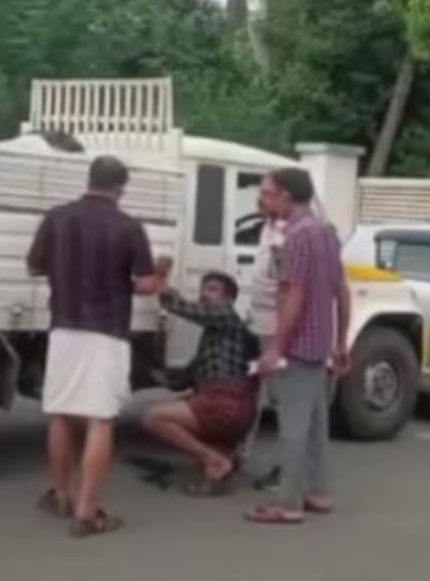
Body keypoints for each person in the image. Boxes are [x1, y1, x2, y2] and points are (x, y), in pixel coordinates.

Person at [26, 155, 165, 538]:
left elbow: (35, 266)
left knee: (59, 413)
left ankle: (60, 495)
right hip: (107, 331)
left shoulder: (56, 218)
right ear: (121, 187)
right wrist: (158, 274)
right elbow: (145, 284)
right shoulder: (129, 227)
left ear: (89, 179)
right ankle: (86, 513)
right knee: (100, 419)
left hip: (64, 326)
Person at [247, 167, 351, 525]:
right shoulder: (324, 232)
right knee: (316, 424)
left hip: (298, 345)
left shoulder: (296, 236)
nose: (264, 199)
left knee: (292, 427)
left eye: (268, 193)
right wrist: (341, 341)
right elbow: (341, 290)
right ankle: (318, 491)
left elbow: (295, 294)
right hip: (320, 343)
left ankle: (288, 502)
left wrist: (277, 346)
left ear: (286, 196)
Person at [142, 270, 259, 496]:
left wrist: (163, 289)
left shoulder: (227, 317)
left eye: (213, 290)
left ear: (229, 299)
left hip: (225, 401)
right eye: (202, 290)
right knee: (182, 407)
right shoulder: (214, 337)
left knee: (153, 418)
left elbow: (188, 309)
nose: (204, 295)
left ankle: (214, 459)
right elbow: (183, 379)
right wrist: (154, 374)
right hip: (237, 407)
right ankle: (223, 457)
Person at [242, 199, 287, 489]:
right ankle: (242, 455)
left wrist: (281, 338)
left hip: (275, 325)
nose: (259, 199)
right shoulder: (267, 228)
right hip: (261, 322)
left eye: (267, 194)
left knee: (282, 399)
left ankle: (288, 469)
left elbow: (286, 287)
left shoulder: (284, 233)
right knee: (258, 393)